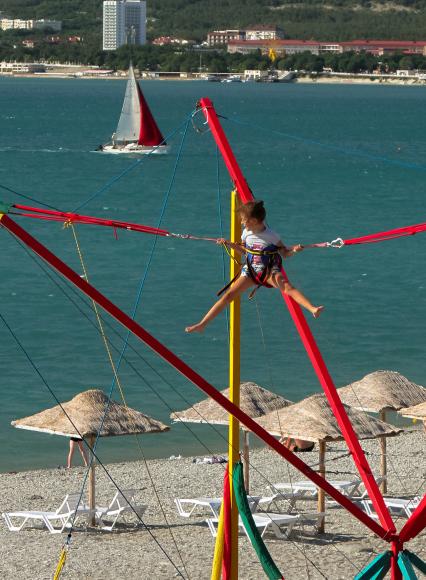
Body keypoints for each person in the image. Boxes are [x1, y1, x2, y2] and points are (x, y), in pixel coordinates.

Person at [185, 200, 323, 333]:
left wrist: (294, 250)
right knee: (228, 296)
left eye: (244, 220)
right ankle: (202, 324)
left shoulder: (272, 236)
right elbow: (245, 251)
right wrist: (228, 243)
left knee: (288, 287)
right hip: (251, 270)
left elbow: (285, 254)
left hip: (269, 271)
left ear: (254, 221)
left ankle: (312, 309)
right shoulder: (246, 233)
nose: (242, 222)